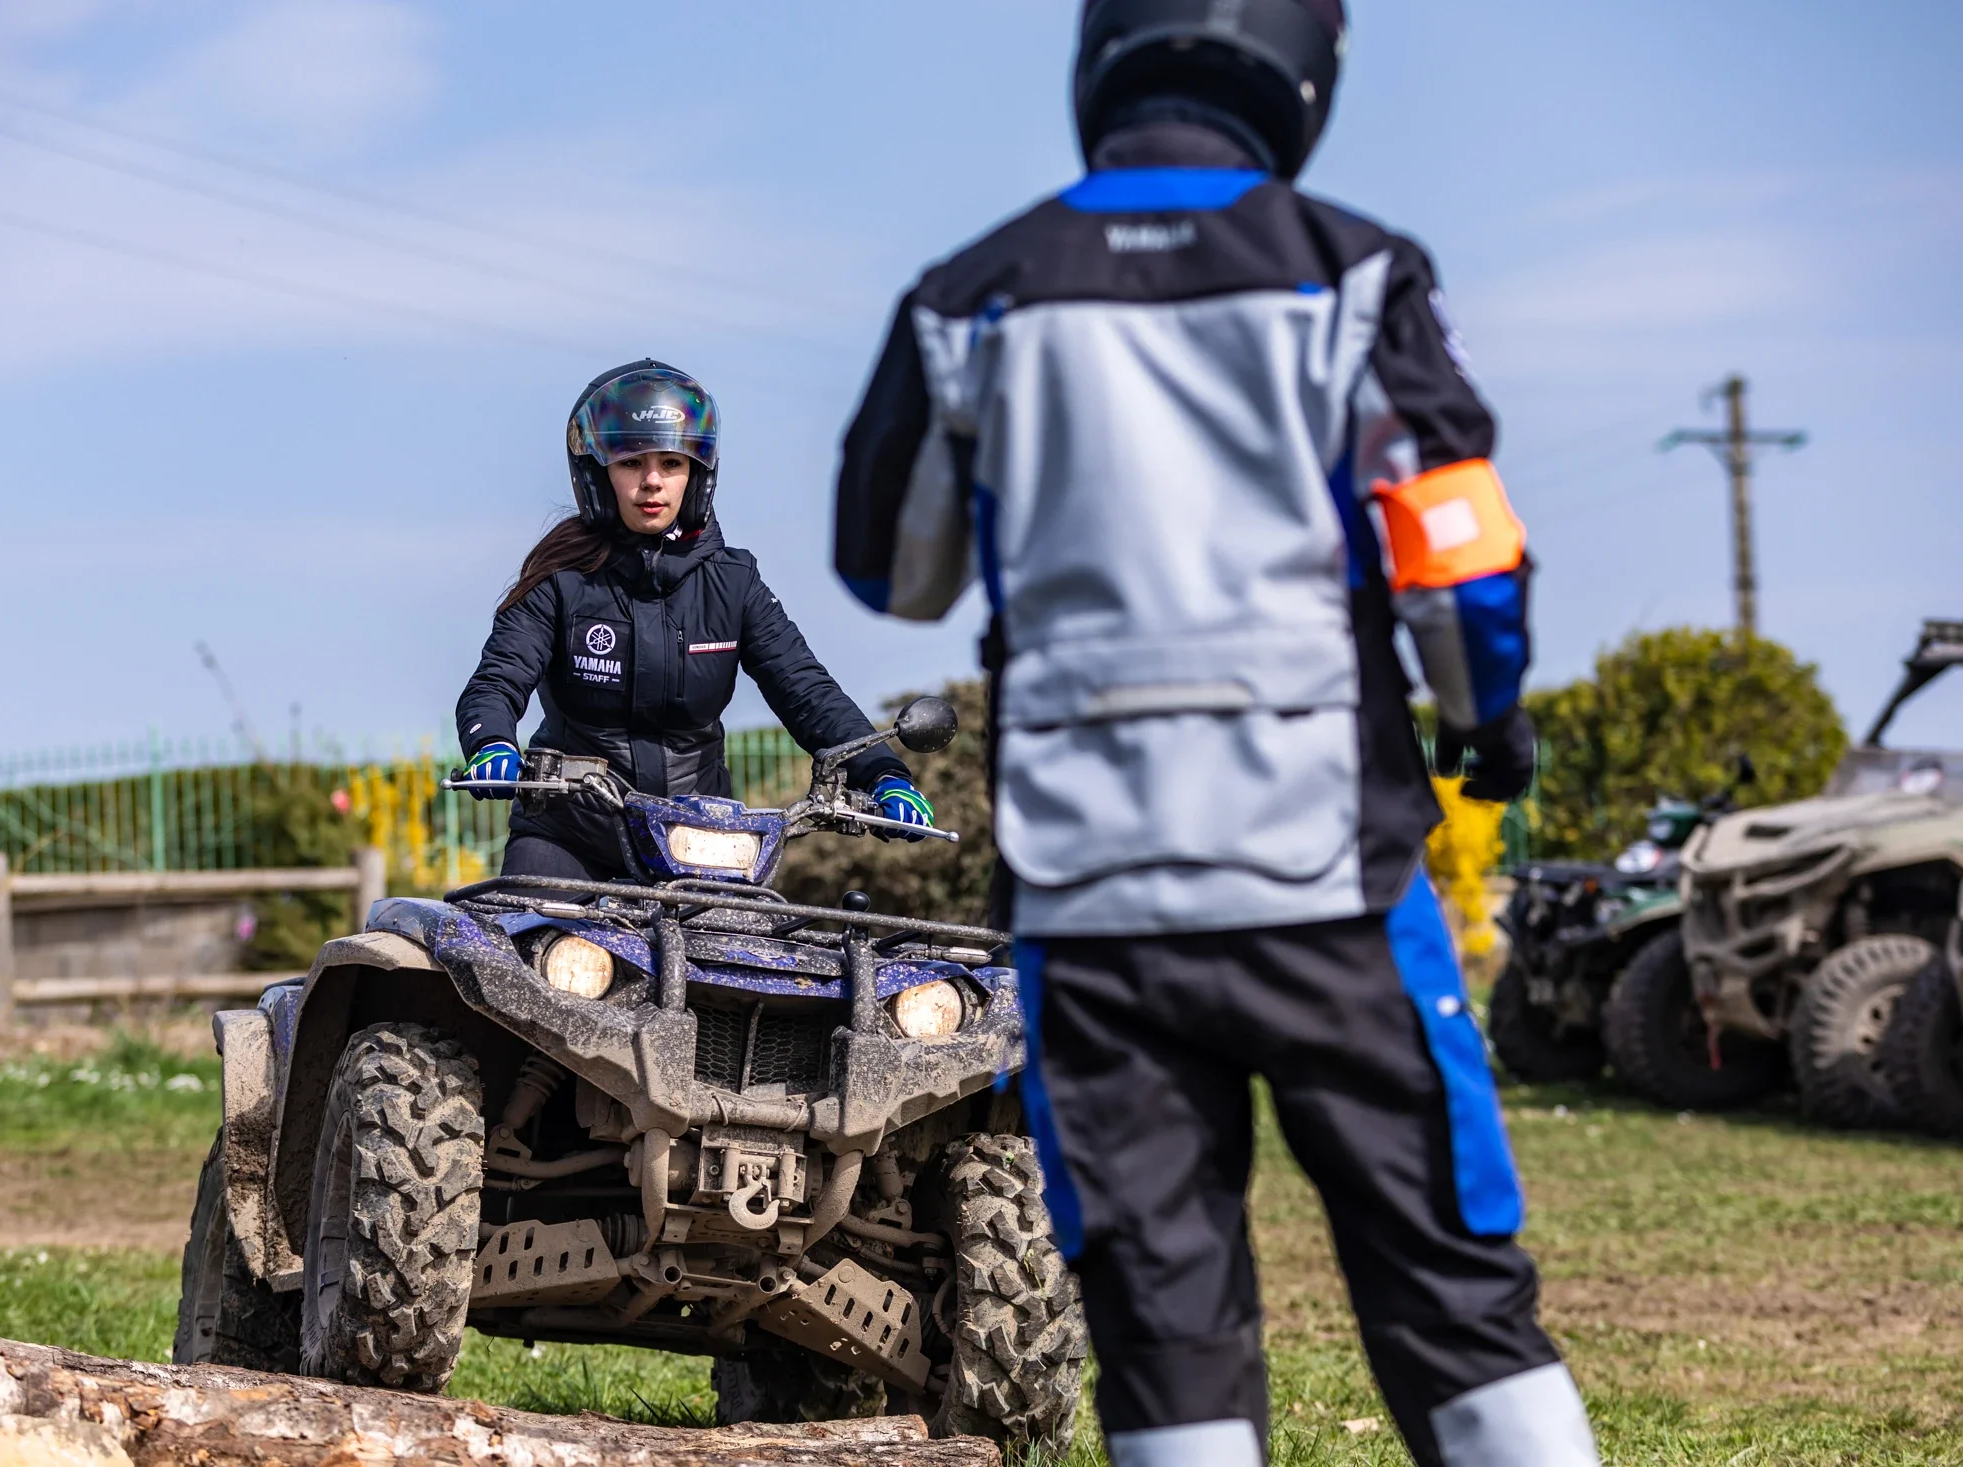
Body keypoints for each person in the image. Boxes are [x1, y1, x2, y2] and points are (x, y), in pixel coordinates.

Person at [831, 4, 1599, 1465]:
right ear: (1307, 69)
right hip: (1330, 880)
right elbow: (1461, 555)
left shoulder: (969, 293)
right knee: (1454, 1284)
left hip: (1095, 899)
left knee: (1164, 1318)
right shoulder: (1356, 269)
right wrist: (1484, 716)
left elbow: (893, 566)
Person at [458, 359, 934, 884]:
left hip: (703, 843)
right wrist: (493, 744)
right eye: (631, 463)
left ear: (698, 476)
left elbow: (805, 689)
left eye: (672, 463)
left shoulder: (735, 582)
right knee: (525, 939)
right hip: (569, 838)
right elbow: (497, 681)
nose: (653, 482)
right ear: (597, 474)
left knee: (756, 960)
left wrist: (885, 774)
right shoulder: (560, 579)